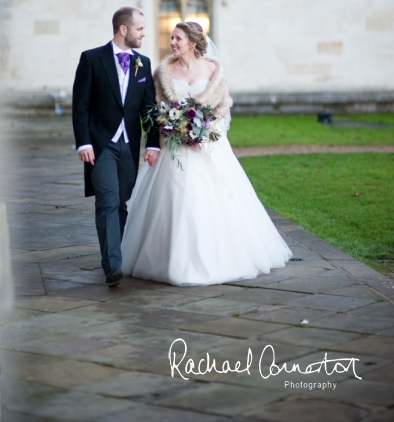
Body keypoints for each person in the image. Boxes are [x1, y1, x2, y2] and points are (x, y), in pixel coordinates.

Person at [121, 22, 292, 286]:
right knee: (175, 199)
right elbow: (156, 111)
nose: (173, 43)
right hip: (174, 149)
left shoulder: (212, 69)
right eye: (172, 38)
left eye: (178, 38)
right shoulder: (163, 73)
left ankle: (218, 258)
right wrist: (175, 127)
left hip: (207, 147)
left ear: (192, 42)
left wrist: (204, 127)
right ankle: (170, 260)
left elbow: (223, 105)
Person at [71, 7, 160, 287]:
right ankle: (112, 265)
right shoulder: (92, 59)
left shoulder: (143, 64)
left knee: (122, 203)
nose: (144, 33)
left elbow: (149, 108)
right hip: (100, 145)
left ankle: (117, 255)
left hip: (130, 145)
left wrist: (154, 144)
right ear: (124, 29)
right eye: (140, 28)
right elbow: (80, 106)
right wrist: (83, 142)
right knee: (107, 201)